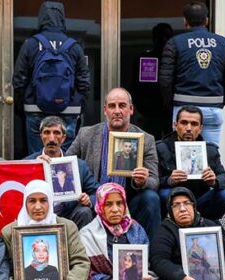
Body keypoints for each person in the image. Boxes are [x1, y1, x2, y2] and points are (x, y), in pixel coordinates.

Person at [66, 88, 160, 237]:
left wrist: (142, 181)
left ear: (131, 109)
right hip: (93, 201)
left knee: (151, 198)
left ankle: (149, 255)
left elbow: (154, 181)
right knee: (82, 212)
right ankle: (83, 259)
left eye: (122, 106)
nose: (117, 111)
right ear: (105, 110)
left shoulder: (145, 139)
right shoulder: (86, 134)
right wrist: (47, 158)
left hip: (127, 203)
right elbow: (66, 165)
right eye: (112, 106)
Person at [12, 1, 90, 154]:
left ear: (41, 18)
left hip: (35, 108)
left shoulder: (31, 44)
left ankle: (39, 178)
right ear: (62, 18)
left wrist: (23, 105)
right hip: (69, 110)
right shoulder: (74, 46)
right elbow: (84, 83)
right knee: (66, 158)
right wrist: (79, 106)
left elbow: (18, 80)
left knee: (37, 157)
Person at [159, 1, 225, 145]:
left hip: (183, 110)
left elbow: (165, 80)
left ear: (185, 21)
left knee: (183, 157)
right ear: (207, 20)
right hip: (213, 108)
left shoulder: (175, 43)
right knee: (211, 155)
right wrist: (219, 102)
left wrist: (172, 105)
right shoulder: (223, 43)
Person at [156, 106, 225, 220]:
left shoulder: (209, 150)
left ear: (200, 128)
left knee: (224, 195)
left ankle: (208, 226)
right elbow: (153, 179)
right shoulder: (161, 148)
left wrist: (214, 181)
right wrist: (169, 180)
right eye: (184, 123)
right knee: (164, 194)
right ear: (175, 125)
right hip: (173, 200)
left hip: (200, 200)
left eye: (194, 124)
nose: (189, 128)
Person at [27, 116, 99, 229]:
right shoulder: (29, 163)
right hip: (36, 213)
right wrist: (34, 168)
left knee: (84, 211)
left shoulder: (79, 166)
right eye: (47, 133)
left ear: (63, 138)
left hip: (68, 215)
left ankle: (81, 246)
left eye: (56, 133)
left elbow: (97, 192)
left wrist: (89, 200)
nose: (51, 138)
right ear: (41, 136)